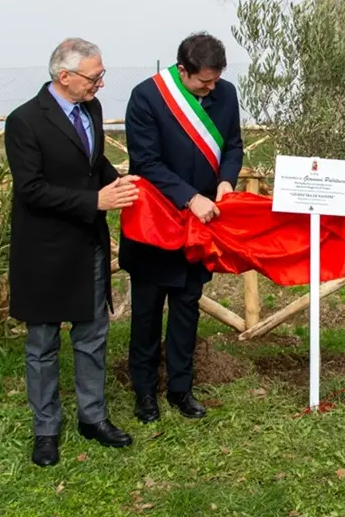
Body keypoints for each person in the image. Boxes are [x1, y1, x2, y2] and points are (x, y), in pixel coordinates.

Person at [5, 38, 138, 467]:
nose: (100, 83)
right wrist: (93, 202)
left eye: (101, 74)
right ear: (65, 76)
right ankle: (46, 429)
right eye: (94, 76)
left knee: (92, 336)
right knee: (42, 343)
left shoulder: (93, 110)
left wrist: (122, 182)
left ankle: (92, 418)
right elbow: (30, 190)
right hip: (43, 251)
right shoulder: (24, 121)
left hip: (88, 246)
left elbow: (92, 165)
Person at [120, 32, 243, 423]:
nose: (211, 89)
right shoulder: (147, 97)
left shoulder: (226, 94)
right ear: (182, 69)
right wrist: (191, 197)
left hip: (202, 223)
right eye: (204, 82)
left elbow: (234, 146)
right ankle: (144, 391)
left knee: (188, 306)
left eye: (216, 80)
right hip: (156, 221)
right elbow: (147, 162)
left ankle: (180, 388)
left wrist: (227, 180)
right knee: (147, 311)